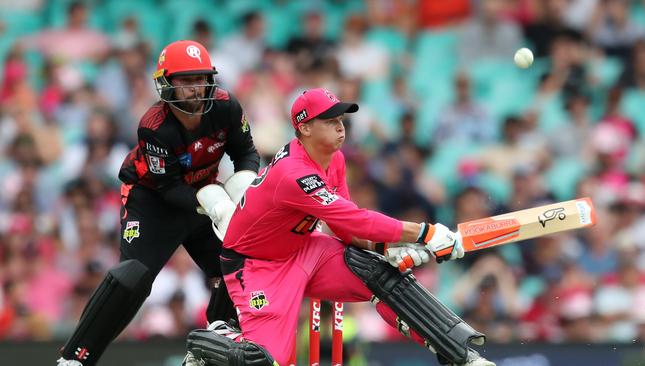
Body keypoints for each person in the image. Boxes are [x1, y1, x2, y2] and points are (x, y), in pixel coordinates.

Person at [183, 88, 495, 366]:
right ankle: (214, 340)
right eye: (329, 120)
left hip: (303, 248)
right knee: (265, 360)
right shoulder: (295, 174)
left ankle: (461, 355)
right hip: (257, 265)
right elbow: (354, 219)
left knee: (378, 273)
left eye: (341, 120)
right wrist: (426, 234)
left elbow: (347, 231)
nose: (340, 127)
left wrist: (388, 249)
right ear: (304, 127)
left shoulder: (335, 159)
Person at [56, 40, 260, 366]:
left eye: (201, 79)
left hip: (205, 195)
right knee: (133, 276)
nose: (196, 88)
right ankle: (74, 358)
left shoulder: (227, 107)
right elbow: (167, 187)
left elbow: (247, 153)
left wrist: (243, 184)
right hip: (152, 200)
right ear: (167, 84)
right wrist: (211, 201)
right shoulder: (154, 126)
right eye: (186, 80)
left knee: (240, 262)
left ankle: (212, 344)